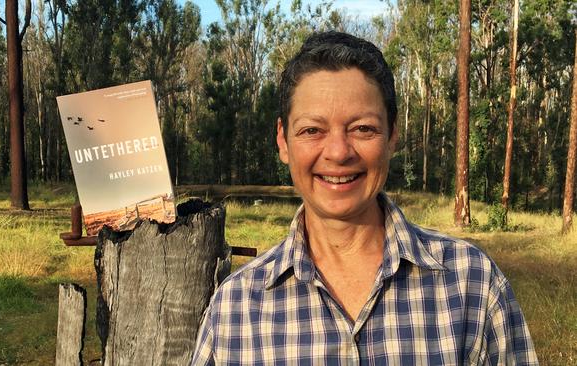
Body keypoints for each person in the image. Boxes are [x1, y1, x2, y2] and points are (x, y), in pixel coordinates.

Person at [191, 31, 538, 365]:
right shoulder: (235, 309)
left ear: (392, 136)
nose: (339, 153)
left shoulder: (472, 285)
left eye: (363, 128)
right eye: (312, 130)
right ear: (283, 141)